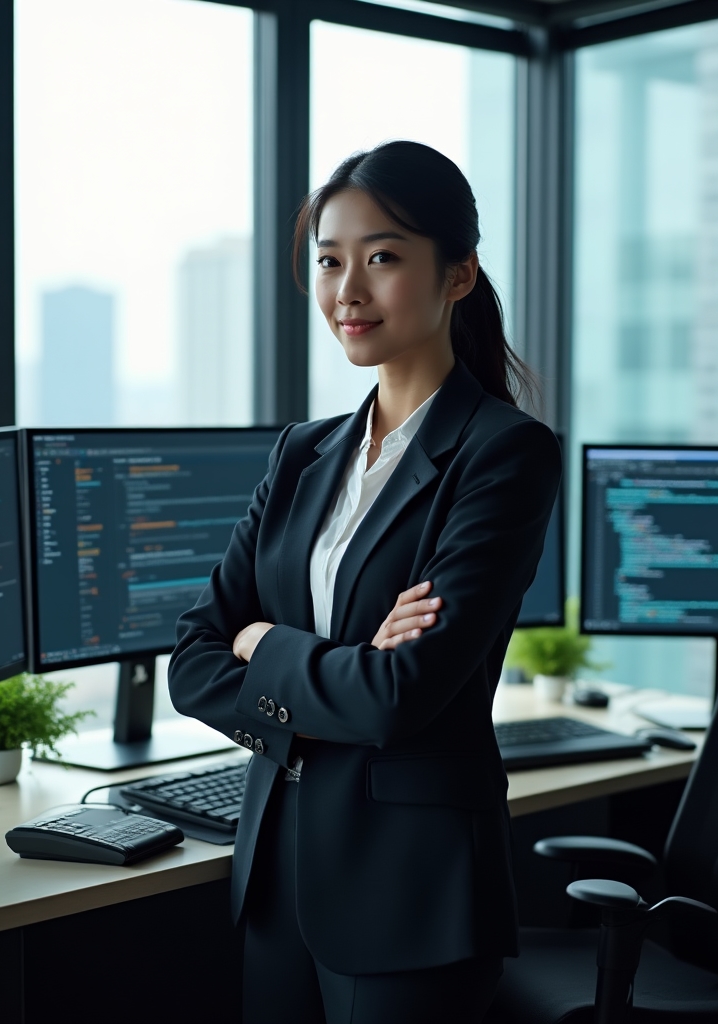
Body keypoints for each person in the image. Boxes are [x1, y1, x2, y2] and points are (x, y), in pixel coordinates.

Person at [168, 140, 561, 1023]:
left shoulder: (502, 455)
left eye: (382, 258)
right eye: (329, 260)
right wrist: (337, 669)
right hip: (277, 877)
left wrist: (264, 642)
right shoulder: (303, 451)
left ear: (458, 274)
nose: (348, 290)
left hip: (408, 894)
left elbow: (400, 696)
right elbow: (192, 657)